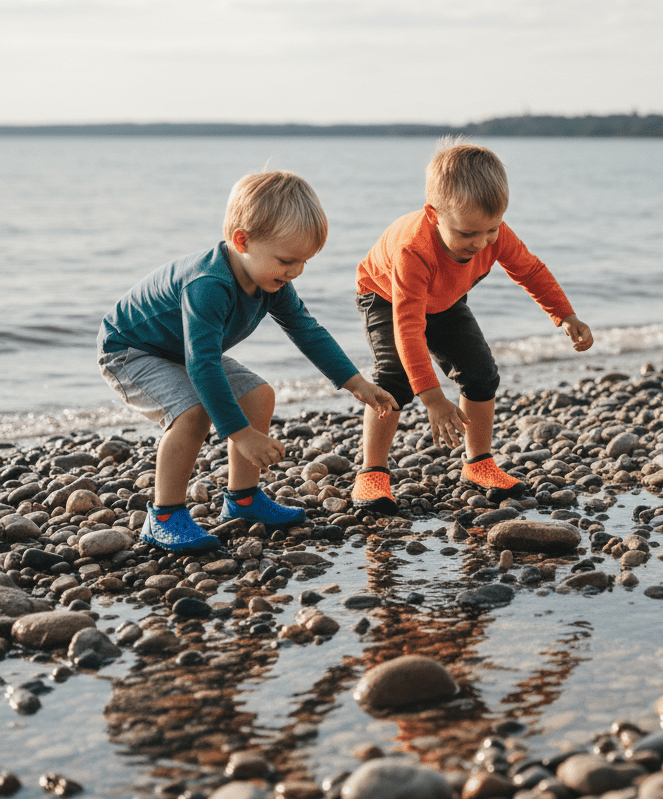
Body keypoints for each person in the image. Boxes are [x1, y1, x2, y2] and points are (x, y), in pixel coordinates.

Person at [98, 171, 397, 552]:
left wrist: (357, 383)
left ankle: (243, 501)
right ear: (242, 241)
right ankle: (164, 517)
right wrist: (241, 434)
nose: (295, 272)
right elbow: (203, 364)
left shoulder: (272, 281)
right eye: (287, 260)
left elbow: (308, 331)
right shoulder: (208, 284)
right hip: (130, 350)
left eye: (304, 262)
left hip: (181, 350)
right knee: (192, 414)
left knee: (258, 394)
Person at [352, 138, 593, 515]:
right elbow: (409, 327)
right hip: (386, 297)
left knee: (480, 374)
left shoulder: (492, 234)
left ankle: (478, 463)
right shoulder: (412, 250)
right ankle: (372, 471)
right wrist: (432, 397)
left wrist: (565, 315)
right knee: (393, 379)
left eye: (491, 231)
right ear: (434, 215)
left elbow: (529, 270)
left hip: (445, 300)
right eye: (467, 234)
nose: (481, 244)